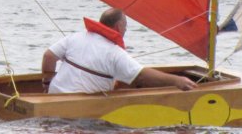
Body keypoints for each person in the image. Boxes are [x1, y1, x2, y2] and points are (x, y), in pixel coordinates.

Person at [40, 8, 196, 94]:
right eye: (126, 25)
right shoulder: (114, 53)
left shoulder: (75, 37)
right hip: (78, 109)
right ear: (119, 27)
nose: (126, 28)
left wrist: (47, 82)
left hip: (54, 96)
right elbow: (140, 76)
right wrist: (177, 81)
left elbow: (48, 56)